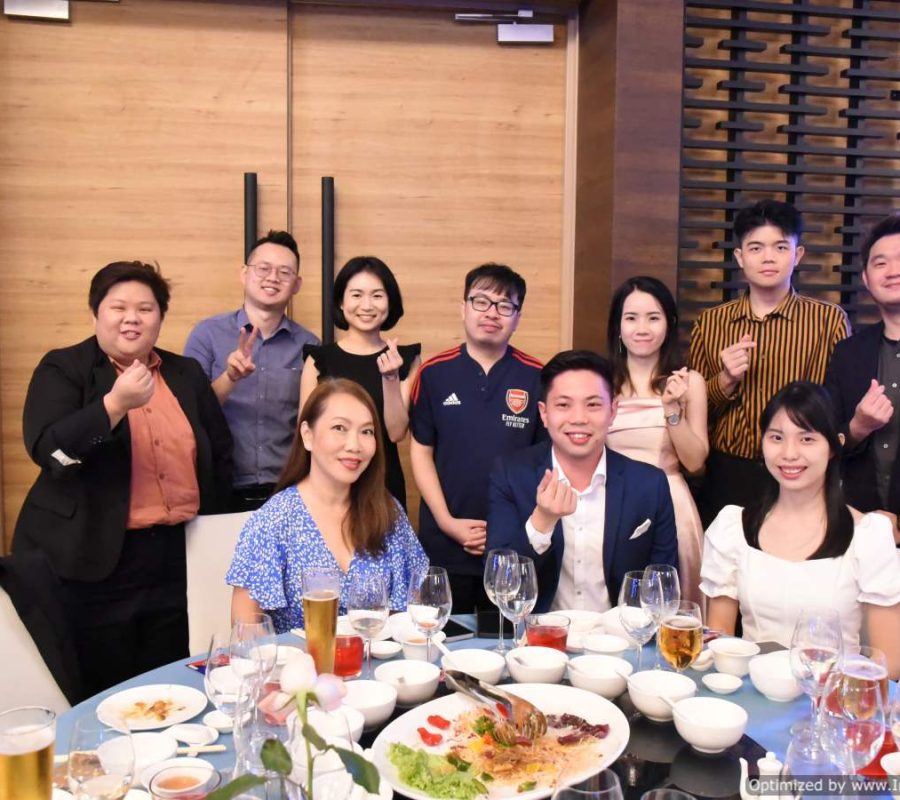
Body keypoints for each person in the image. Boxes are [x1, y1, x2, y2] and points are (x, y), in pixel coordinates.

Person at [13, 261, 233, 697]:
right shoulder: (65, 368)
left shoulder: (185, 373)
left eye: (145, 309)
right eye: (119, 307)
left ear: (160, 318)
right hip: (93, 561)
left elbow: (220, 453)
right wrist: (113, 405)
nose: (132, 318)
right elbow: (50, 451)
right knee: (103, 690)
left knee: (171, 683)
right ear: (95, 313)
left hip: (176, 556)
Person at [701, 382, 900, 678]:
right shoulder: (734, 528)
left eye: (807, 439)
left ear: (834, 447)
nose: (789, 453)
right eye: (776, 437)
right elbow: (721, 641)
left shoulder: (867, 536)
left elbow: (890, 663)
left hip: (833, 697)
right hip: (751, 692)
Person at [689, 200, 850, 527]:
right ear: (740, 257)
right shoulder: (711, 323)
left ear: (798, 254)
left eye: (780, 247)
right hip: (728, 471)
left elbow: (837, 404)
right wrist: (725, 380)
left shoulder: (827, 321)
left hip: (800, 468)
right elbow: (694, 415)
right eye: (756, 247)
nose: (768, 257)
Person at [227, 379, 428, 633]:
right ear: (307, 435)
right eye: (339, 428)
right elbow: (246, 631)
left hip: (377, 657)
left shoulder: (388, 512)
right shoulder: (273, 520)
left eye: (366, 431)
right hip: (299, 659)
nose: (354, 445)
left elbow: (414, 614)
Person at [486, 350, 678, 613]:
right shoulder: (511, 474)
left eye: (593, 405)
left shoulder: (649, 484)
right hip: (539, 633)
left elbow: (664, 590)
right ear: (544, 413)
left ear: (613, 411)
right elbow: (500, 583)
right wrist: (542, 521)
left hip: (619, 634)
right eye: (563, 405)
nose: (579, 418)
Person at [409, 263, 544, 613]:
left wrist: (507, 531)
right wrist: (447, 522)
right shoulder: (433, 373)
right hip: (444, 543)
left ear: (518, 317)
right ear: (464, 308)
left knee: (505, 638)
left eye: (505, 305)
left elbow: (544, 462)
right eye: (481, 301)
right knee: (444, 637)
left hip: (513, 548)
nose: (491, 313)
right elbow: (420, 452)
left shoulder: (537, 376)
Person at [184, 230, 319, 512]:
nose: (273, 278)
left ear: (297, 284)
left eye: (284, 272)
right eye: (263, 268)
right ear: (244, 274)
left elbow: (315, 422)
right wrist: (230, 377)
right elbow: (188, 413)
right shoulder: (207, 335)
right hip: (218, 488)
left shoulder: (310, 345)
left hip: (288, 491)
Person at [606, 277, 708, 606]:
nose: (642, 328)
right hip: (610, 501)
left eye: (653, 318)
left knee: (671, 607)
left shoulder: (689, 382)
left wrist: (671, 409)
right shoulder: (602, 382)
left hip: (671, 500)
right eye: (631, 318)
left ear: (669, 323)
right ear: (618, 325)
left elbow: (695, 462)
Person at [300, 256, 420, 507]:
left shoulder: (406, 358)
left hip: (383, 484)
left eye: (377, 295)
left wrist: (390, 378)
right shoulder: (318, 360)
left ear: (390, 302)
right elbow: (306, 433)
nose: (367, 305)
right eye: (356, 295)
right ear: (341, 302)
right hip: (328, 487)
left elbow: (396, 433)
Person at [825, 215, 900, 545]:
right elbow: (825, 441)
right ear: (867, 279)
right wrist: (857, 427)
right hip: (859, 531)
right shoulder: (849, 352)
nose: (893, 270)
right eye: (881, 263)